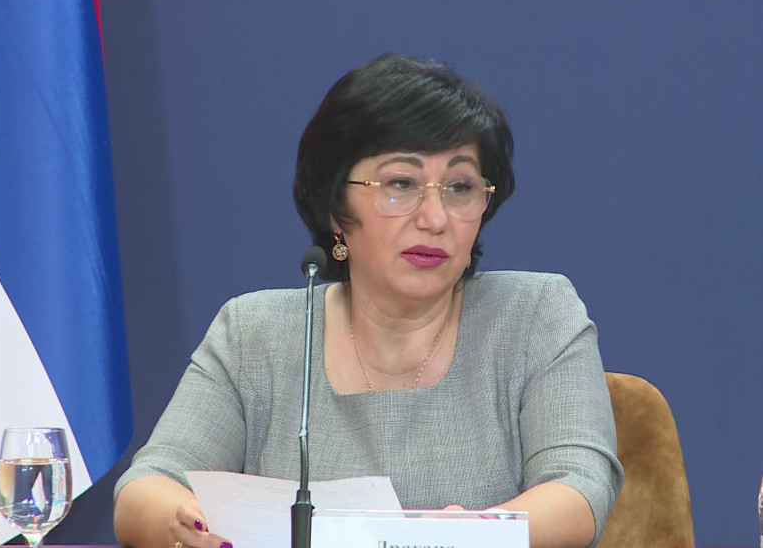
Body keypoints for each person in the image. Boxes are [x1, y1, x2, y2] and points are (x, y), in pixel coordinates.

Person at [113, 53, 623, 548]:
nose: (435, 218)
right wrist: (192, 526)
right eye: (401, 184)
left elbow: (580, 487)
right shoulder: (254, 335)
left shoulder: (534, 316)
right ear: (336, 208)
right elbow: (144, 491)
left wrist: (469, 536)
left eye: (460, 187)